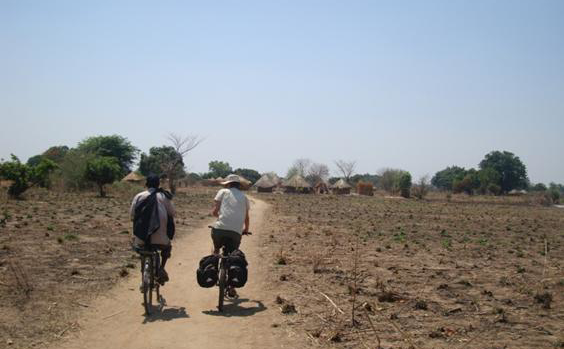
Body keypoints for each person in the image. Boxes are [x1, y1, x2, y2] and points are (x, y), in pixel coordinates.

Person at [130, 175, 175, 285]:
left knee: (141, 249)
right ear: (158, 184)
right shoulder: (164, 197)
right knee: (167, 247)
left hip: (141, 238)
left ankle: (143, 274)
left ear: (146, 184)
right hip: (161, 240)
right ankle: (161, 268)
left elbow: (132, 215)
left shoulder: (139, 196)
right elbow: (172, 213)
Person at [211, 174, 250, 297]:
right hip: (236, 233)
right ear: (239, 186)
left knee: (216, 247)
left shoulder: (222, 192)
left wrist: (222, 218)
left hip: (219, 229)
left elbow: (214, 212)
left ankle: (213, 265)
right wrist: (245, 229)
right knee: (233, 256)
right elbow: (246, 217)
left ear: (227, 184)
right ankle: (232, 287)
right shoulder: (244, 197)